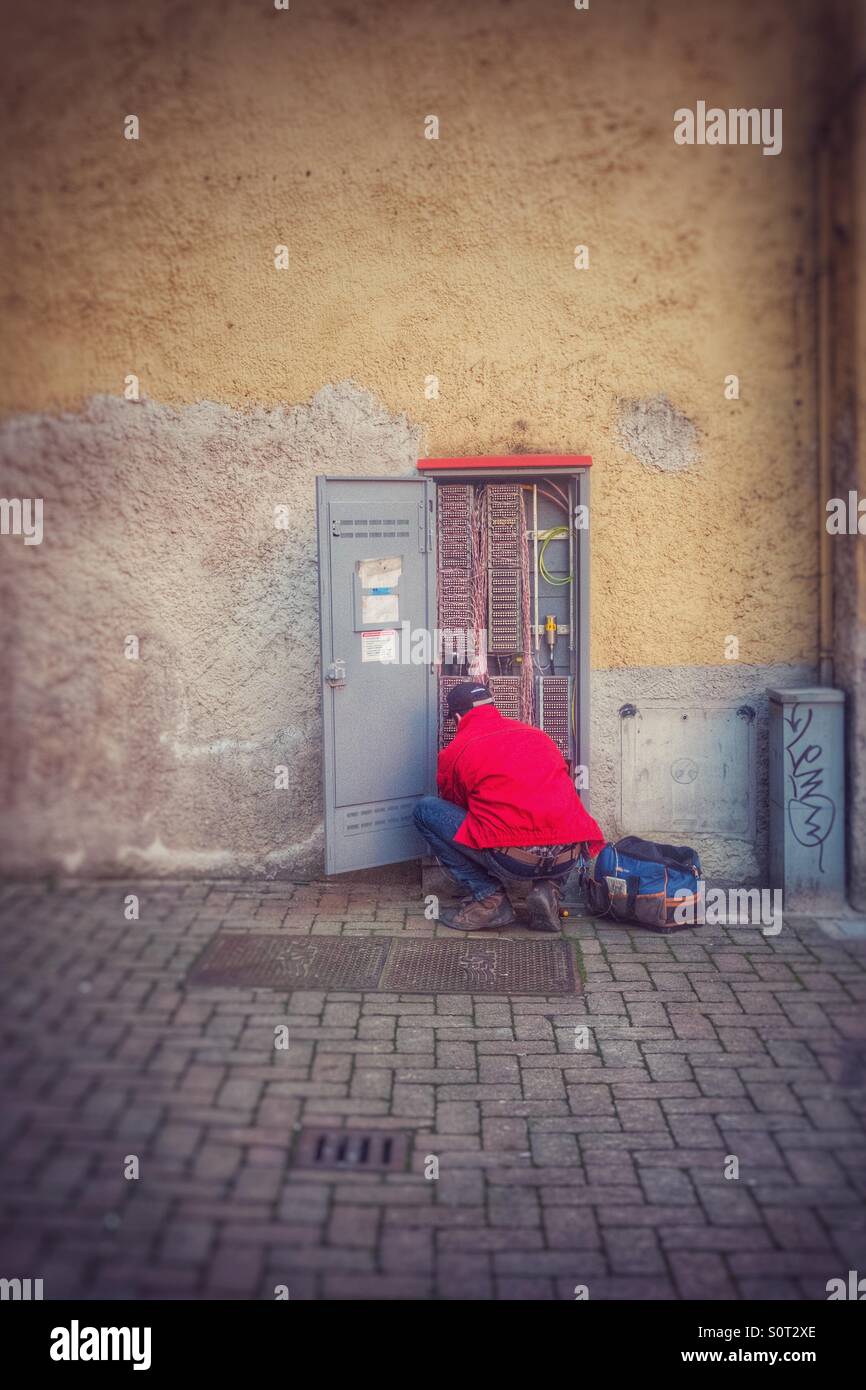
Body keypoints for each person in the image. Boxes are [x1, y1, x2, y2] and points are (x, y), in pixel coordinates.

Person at [413, 681, 605, 932]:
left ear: (458, 718)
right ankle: (548, 889)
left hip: (513, 860)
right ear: (494, 706)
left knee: (425, 810)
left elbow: (455, 804)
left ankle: (489, 898)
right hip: (566, 857)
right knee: (563, 819)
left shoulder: (457, 750)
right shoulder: (538, 736)